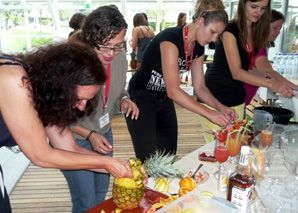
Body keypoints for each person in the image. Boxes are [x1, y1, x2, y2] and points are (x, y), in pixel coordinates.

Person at [0, 42, 133, 212]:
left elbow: (70, 149)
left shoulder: (48, 96)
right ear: (61, 84)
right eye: (79, 98)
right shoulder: (14, 79)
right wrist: (107, 163)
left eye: (88, 100)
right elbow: (41, 156)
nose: (82, 107)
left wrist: (121, 167)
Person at [126, 0, 237, 162]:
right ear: (200, 22)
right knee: (149, 160)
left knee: (169, 155)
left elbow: (199, 87)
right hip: (140, 99)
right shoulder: (170, 40)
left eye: (217, 35)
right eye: (212, 32)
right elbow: (174, 90)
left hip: (163, 99)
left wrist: (220, 107)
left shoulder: (198, 47)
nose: (213, 39)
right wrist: (210, 114)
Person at [53, 6, 139, 213]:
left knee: (100, 196)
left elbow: (118, 89)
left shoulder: (118, 58)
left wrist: (125, 99)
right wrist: (89, 134)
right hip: (72, 137)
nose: (111, 53)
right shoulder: (71, 65)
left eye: (118, 46)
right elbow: (57, 115)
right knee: (86, 202)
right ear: (90, 38)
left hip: (103, 134)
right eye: (105, 46)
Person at [200, 0, 296, 143]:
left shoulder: (254, 32)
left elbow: (249, 67)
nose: (258, 12)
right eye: (254, 7)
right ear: (242, 4)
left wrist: (266, 77)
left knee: (236, 146)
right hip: (215, 97)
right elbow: (236, 72)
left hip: (237, 99)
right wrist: (272, 84)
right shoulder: (229, 30)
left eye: (263, 8)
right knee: (219, 148)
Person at [244, 9, 298, 106]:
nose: (278, 32)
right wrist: (294, 86)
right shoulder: (256, 44)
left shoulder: (258, 43)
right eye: (275, 28)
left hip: (238, 101)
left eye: (280, 28)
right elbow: (267, 71)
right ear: (263, 25)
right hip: (229, 101)